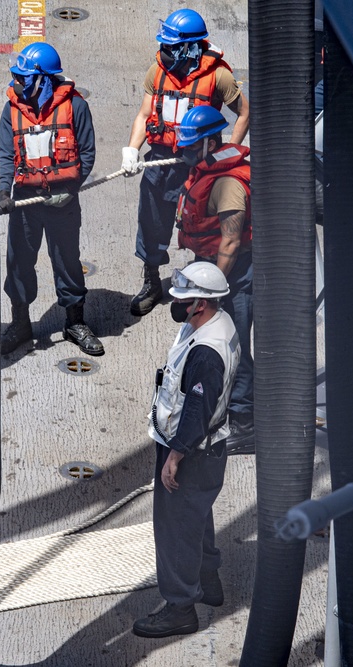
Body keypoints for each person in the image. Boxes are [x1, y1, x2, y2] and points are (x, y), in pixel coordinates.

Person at [133, 261, 240, 638]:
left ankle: (180, 609)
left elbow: (197, 412)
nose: (178, 303)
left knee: (175, 529)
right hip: (206, 450)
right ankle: (209, 582)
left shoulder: (206, 352)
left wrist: (175, 457)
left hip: (190, 452)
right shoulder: (216, 325)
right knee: (197, 516)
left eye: (185, 298)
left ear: (203, 303)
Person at [121, 9, 250, 318]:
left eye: (170, 47)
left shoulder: (219, 75)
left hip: (197, 167)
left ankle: (200, 282)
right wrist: (132, 149)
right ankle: (152, 283)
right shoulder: (157, 71)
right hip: (159, 162)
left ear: (189, 48)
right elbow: (143, 114)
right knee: (151, 225)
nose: (164, 53)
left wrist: (229, 149)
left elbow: (245, 112)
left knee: (202, 228)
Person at [0, 42, 103, 357]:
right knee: (18, 263)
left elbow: (87, 153)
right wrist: (4, 191)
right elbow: (5, 155)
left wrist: (71, 189)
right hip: (26, 203)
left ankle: (74, 323)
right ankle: (20, 325)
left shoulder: (75, 107)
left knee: (68, 261)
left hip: (64, 202)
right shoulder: (12, 110)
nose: (16, 81)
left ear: (42, 80)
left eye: (23, 76)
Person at [173, 105, 254, 452]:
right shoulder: (204, 169)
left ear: (210, 143)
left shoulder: (228, 183)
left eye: (191, 147)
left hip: (232, 273)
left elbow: (232, 242)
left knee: (232, 343)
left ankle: (245, 420)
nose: (186, 153)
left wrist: (212, 290)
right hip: (210, 266)